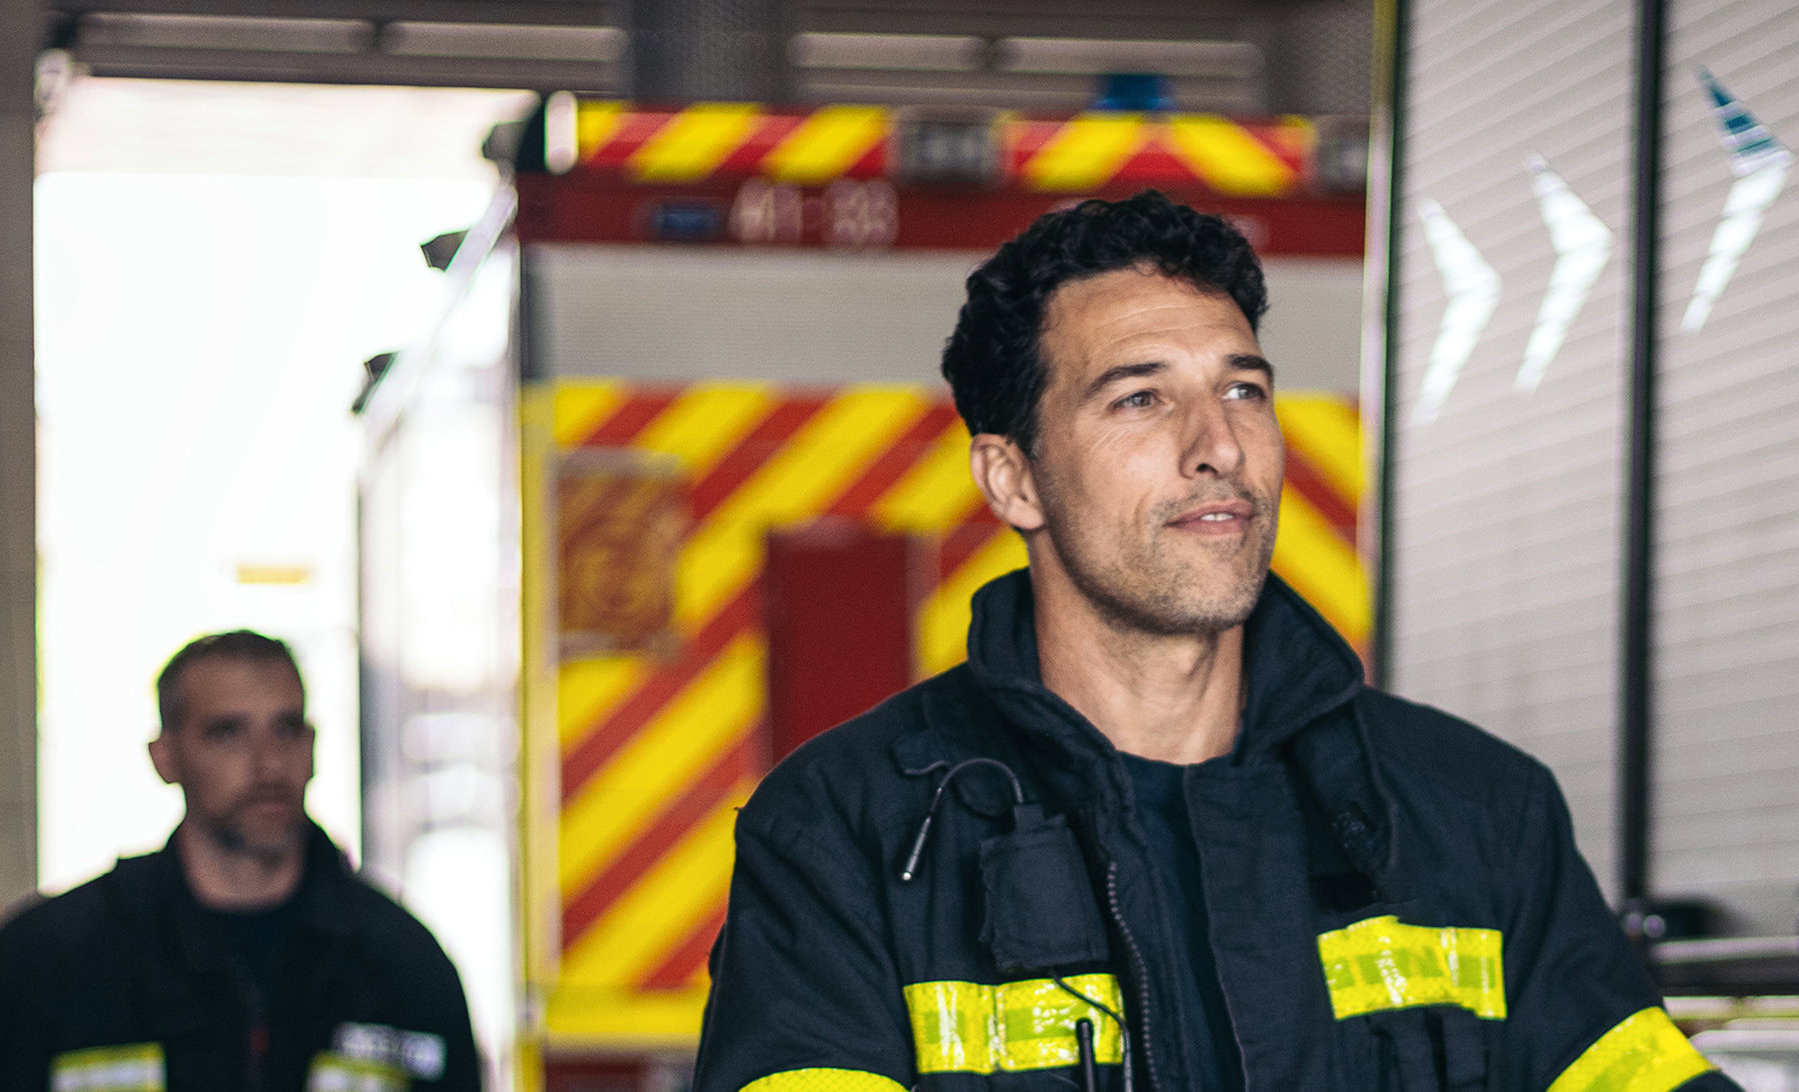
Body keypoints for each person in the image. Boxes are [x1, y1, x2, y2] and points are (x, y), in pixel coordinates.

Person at [692, 192, 1739, 1092]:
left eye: (1242, 389)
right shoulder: (847, 834)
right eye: (1142, 398)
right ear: (1012, 479)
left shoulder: (1471, 809)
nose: (1220, 447)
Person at [0, 630, 479, 1091]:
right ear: (164, 756)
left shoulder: (401, 966)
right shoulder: (44, 965)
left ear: (312, 746)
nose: (268, 763)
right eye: (227, 733)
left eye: (287, 729)